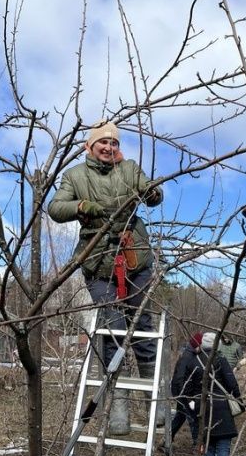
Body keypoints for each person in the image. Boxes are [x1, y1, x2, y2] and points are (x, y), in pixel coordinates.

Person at [47, 120, 164, 435]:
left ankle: (155, 402)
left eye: (114, 143)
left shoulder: (129, 168)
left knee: (142, 328)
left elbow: (154, 195)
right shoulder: (75, 175)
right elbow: (55, 208)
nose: (109, 148)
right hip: (98, 261)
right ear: (90, 146)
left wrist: (150, 191)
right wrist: (83, 206)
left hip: (135, 256)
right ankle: (118, 408)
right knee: (112, 331)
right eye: (103, 143)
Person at [199, 331, 241, 456]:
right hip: (221, 408)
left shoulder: (195, 360)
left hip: (203, 409)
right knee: (223, 446)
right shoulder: (220, 359)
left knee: (208, 445)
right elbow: (231, 383)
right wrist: (238, 400)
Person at [169, 332, 204, 449]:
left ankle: (166, 439)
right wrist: (186, 396)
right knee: (192, 418)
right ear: (197, 345)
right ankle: (197, 446)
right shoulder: (187, 357)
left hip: (182, 392)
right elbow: (180, 378)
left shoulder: (191, 355)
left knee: (180, 416)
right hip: (182, 393)